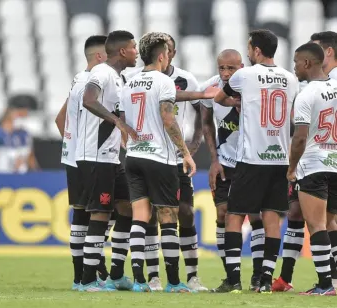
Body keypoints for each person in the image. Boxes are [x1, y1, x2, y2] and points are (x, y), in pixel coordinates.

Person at [123, 34, 212, 292]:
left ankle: (141, 281)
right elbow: (168, 118)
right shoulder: (164, 81)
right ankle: (173, 281)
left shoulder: (129, 82)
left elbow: (122, 115)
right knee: (167, 216)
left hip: (134, 156)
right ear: (162, 55)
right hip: (160, 157)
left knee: (141, 216)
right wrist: (185, 151)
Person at [213, 29, 299, 293]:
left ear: (257, 50)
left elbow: (219, 98)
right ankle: (264, 278)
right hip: (279, 158)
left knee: (234, 216)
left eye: (249, 49)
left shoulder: (244, 75)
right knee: (272, 217)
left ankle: (234, 279)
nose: (248, 52)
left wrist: (240, 100)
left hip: (251, 158)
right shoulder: (290, 78)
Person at [273, 31, 337, 291]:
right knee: (331, 223)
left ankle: (325, 284)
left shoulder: (307, 94)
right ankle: (333, 279)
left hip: (313, 165)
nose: (294, 67)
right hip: (334, 163)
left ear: (308, 63)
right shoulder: (334, 89)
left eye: (297, 62)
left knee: (316, 226)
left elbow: (299, 138)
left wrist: (291, 168)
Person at [76, 30, 138, 292]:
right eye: (134, 47)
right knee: (100, 213)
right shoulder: (102, 72)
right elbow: (88, 99)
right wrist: (117, 121)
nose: (137, 51)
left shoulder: (119, 77)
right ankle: (88, 280)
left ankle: (115, 275)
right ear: (122, 51)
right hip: (94, 155)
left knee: (127, 208)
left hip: (112, 158)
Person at [201, 49, 266, 292]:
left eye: (232, 68)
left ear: (242, 66)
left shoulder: (253, 85)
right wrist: (214, 160)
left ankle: (258, 276)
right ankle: (231, 275)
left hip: (252, 162)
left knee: (255, 216)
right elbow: (206, 123)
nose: (226, 73)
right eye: (222, 68)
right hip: (225, 163)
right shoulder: (210, 88)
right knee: (222, 214)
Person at [54, 35, 108, 290]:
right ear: (100, 56)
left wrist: (72, 145)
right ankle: (94, 274)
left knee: (81, 214)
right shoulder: (96, 83)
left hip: (73, 157)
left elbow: (59, 119)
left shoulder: (77, 80)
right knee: (100, 214)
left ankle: (80, 277)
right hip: (92, 157)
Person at [0, 97, 39, 173]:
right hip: (2, 178)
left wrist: (38, 176)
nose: (23, 118)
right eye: (21, 115)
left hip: (21, 180)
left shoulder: (25, 135)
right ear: (11, 112)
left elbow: (31, 159)